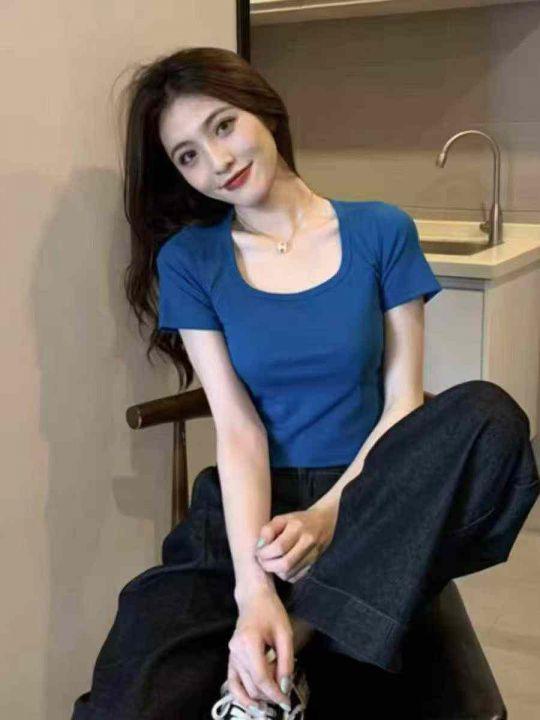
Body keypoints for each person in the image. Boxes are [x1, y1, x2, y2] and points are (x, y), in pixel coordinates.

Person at [71, 46, 540, 720]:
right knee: (131, 694)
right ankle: (294, 628)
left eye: (223, 126)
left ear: (262, 109)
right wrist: (254, 590)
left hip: (373, 496)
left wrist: (328, 518)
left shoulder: (381, 230)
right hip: (249, 508)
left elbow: (403, 404)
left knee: (490, 414)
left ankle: (298, 638)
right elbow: (238, 428)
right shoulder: (190, 261)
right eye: (188, 155)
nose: (217, 161)